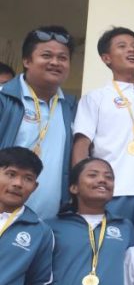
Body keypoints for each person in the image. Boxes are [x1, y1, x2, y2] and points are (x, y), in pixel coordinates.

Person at [72, 28, 134, 242]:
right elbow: (81, 145)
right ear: (106, 58)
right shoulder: (95, 98)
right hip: (110, 192)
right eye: (122, 46)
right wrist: (80, 190)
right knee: (108, 253)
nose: (131, 50)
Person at [0, 26, 78, 219]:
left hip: (48, 221)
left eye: (62, 58)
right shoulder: (4, 99)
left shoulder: (71, 107)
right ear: (27, 61)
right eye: (46, 55)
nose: (55, 62)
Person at [0, 147, 54, 285]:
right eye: (10, 174)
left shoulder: (39, 231)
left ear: (35, 186)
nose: (18, 184)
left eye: (28, 178)